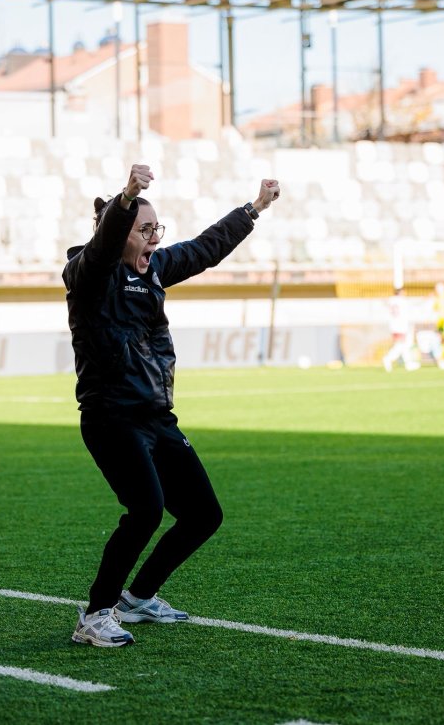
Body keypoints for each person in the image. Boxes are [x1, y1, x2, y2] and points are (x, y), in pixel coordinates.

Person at [63, 164, 281, 647]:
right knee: (145, 510)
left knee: (204, 514)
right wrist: (125, 201)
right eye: (145, 230)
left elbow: (204, 249)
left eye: (156, 229)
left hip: (156, 417)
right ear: (117, 234)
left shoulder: (154, 269)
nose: (154, 239)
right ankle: (95, 614)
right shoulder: (88, 274)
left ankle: (137, 599)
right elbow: (101, 249)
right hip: (111, 416)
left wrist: (253, 210)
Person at [383, 287, 420, 372]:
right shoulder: (402, 301)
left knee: (403, 345)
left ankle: (408, 363)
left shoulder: (391, 301)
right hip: (401, 326)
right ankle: (388, 358)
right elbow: (412, 309)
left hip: (393, 326)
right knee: (400, 345)